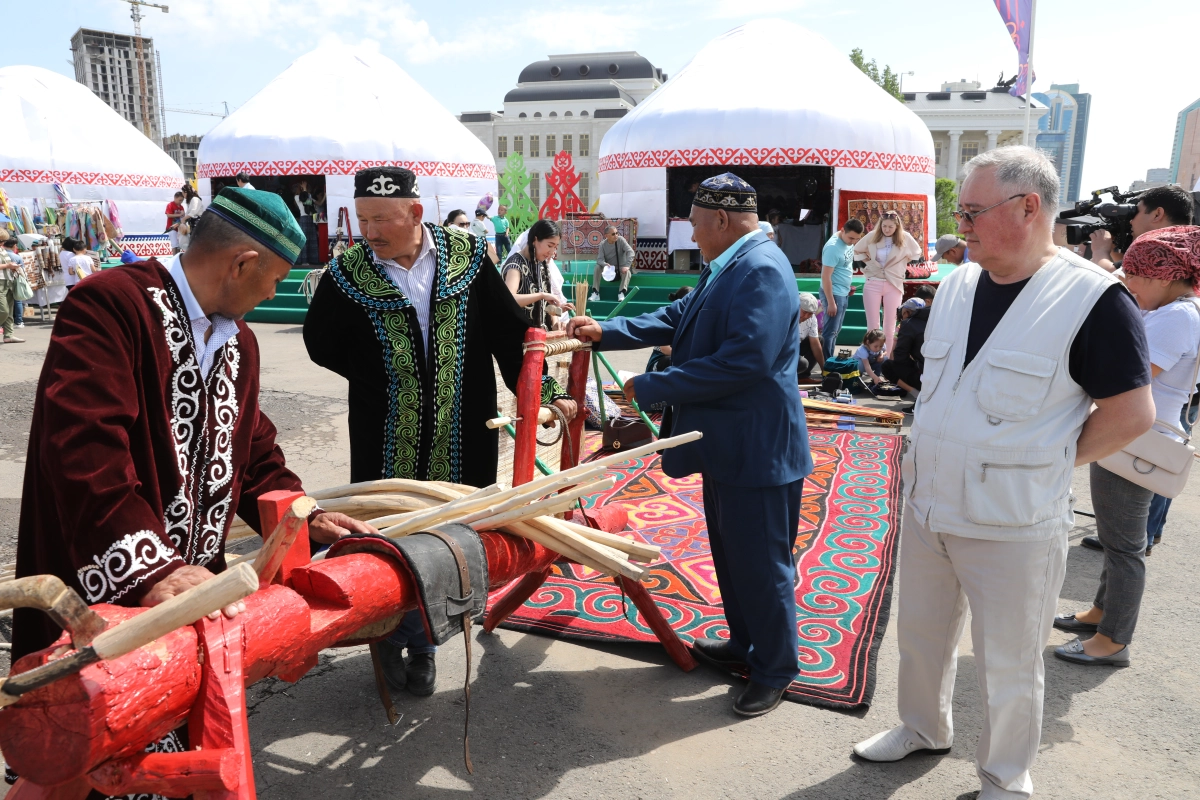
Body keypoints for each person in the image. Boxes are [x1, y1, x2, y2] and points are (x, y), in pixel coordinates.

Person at [852, 146, 1154, 800]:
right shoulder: (959, 282)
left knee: (1009, 661)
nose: (961, 223)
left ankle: (1005, 775)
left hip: (1013, 521)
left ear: (1027, 207)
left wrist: (1049, 461)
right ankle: (920, 727)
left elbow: (1133, 414)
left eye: (971, 210)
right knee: (922, 635)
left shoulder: (1092, 299)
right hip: (930, 502)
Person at [11, 186, 375, 666]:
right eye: (275, 279)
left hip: (194, 584)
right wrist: (154, 571)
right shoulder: (110, 305)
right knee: (97, 709)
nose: (272, 293)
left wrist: (304, 514)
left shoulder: (239, 341)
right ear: (241, 264)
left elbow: (254, 452)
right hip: (107, 573)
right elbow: (85, 450)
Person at [303, 167, 577, 697]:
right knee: (389, 537)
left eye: (382, 219)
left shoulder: (467, 258)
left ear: (415, 213)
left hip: (463, 431)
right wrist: (379, 371)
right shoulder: (349, 271)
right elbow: (319, 341)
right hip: (387, 435)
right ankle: (385, 635)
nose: (371, 231)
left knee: (449, 540)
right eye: (363, 219)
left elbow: (511, 335)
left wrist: (545, 398)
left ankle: (423, 644)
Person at [567, 172, 812, 718]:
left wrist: (651, 387)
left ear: (722, 221)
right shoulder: (730, 265)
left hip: (758, 450)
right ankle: (745, 645)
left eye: (697, 226)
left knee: (762, 562)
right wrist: (610, 332)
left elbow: (744, 361)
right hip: (730, 444)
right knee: (732, 555)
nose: (693, 237)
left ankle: (775, 668)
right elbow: (680, 316)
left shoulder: (762, 271)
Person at [1058, 226, 1200, 665]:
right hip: (1132, 439)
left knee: (1124, 547)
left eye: (1134, 275)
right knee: (1117, 537)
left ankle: (1113, 640)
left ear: (1163, 276)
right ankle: (1102, 612)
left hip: (1138, 443)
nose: (1127, 282)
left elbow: (1131, 381)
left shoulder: (1179, 316)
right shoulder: (1175, 309)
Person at [854, 211, 922, 356]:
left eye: (890, 227)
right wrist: (869, 263)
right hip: (873, 281)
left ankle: (887, 358)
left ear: (897, 227)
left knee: (890, 324)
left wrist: (901, 263)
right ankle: (871, 356)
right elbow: (857, 250)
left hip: (894, 283)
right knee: (872, 324)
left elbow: (916, 253)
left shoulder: (905, 238)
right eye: (884, 226)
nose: (887, 229)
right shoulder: (872, 235)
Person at [1091, 184, 1194, 273]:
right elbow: (1128, 272)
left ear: (1157, 214)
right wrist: (1113, 248)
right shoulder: (1188, 246)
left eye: (1136, 212)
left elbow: (1114, 276)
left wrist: (1100, 251)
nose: (1131, 221)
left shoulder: (1161, 247)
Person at [503, 219, 566, 330]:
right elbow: (509, 299)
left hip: (541, 337)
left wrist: (557, 317)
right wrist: (541, 295)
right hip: (519, 337)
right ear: (535, 240)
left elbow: (546, 307)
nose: (552, 252)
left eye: (555, 247)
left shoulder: (542, 264)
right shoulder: (516, 264)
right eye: (550, 245)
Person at [820, 219, 866, 356]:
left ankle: (830, 362)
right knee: (830, 332)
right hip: (833, 293)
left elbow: (844, 266)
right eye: (851, 238)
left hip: (843, 291)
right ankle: (826, 366)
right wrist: (831, 302)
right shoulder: (833, 248)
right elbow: (825, 277)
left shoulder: (846, 241)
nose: (853, 241)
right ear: (842, 230)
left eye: (856, 239)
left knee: (835, 331)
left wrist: (847, 286)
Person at [881, 286, 936, 401]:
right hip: (946, 376)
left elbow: (899, 357)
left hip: (926, 376)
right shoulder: (938, 319)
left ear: (906, 311)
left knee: (888, 366)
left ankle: (919, 396)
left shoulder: (908, 324)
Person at [592, 225, 635, 302]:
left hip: (621, 268)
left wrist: (627, 265)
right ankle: (596, 293)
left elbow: (631, 252)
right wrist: (605, 264)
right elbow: (599, 259)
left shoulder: (621, 240)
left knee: (627, 272)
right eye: (613, 234)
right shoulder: (602, 244)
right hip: (609, 269)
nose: (616, 235)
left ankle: (621, 293)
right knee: (597, 267)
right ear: (606, 236)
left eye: (616, 233)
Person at [0, 235, 23, 344]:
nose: (3, 243)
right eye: (1, 241)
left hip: (8, 281)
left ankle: (8, 335)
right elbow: (5, 265)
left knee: (9, 310)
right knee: (3, 310)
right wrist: (7, 266)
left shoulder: (3, 250)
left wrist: (12, 267)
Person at [292, 180, 320, 265]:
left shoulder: (309, 195)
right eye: (304, 187)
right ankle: (304, 260)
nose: (307, 189)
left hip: (310, 218)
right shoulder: (297, 197)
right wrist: (304, 190)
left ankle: (313, 259)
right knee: (305, 240)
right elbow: (304, 200)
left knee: (311, 239)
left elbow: (309, 203)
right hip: (304, 218)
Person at [2, 238, 27, 329]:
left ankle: (4, 324)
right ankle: (19, 321)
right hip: (15, 280)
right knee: (17, 300)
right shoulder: (17, 257)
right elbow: (22, 270)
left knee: (5, 303)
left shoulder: (3, 254)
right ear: (13, 246)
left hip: (4, 280)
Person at [797, 291, 824, 377]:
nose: (806, 316)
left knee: (820, 339)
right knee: (802, 363)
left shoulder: (812, 318)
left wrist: (824, 369)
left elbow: (815, 344)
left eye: (810, 313)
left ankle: (802, 376)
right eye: (804, 312)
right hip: (783, 351)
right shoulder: (786, 315)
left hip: (797, 346)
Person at [178, 184, 204, 252]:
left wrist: (184, 219)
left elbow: (193, 212)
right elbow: (188, 212)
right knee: (192, 239)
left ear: (186, 192)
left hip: (197, 222)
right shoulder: (191, 200)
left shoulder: (195, 199)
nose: (183, 195)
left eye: (183, 193)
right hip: (192, 222)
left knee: (196, 239)